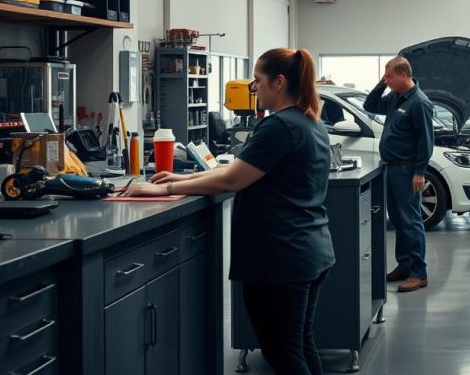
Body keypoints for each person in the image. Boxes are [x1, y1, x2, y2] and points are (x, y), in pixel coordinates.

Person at [125, 48, 334, 375]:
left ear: (278, 82)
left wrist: (166, 189)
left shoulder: (279, 126)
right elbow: (240, 168)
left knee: (283, 352)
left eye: (257, 81)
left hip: (281, 259)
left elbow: (232, 179)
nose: (255, 89)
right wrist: (184, 176)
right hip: (309, 251)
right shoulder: (308, 121)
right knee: (298, 344)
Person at [364, 57, 434, 293]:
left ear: (404, 75)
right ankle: (404, 266)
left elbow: (426, 141)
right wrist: (382, 83)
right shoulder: (394, 98)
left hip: (407, 170)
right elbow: (369, 105)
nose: (387, 79)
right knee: (398, 221)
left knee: (411, 222)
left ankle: (418, 273)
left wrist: (420, 172)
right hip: (390, 169)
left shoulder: (419, 103)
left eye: (390, 76)